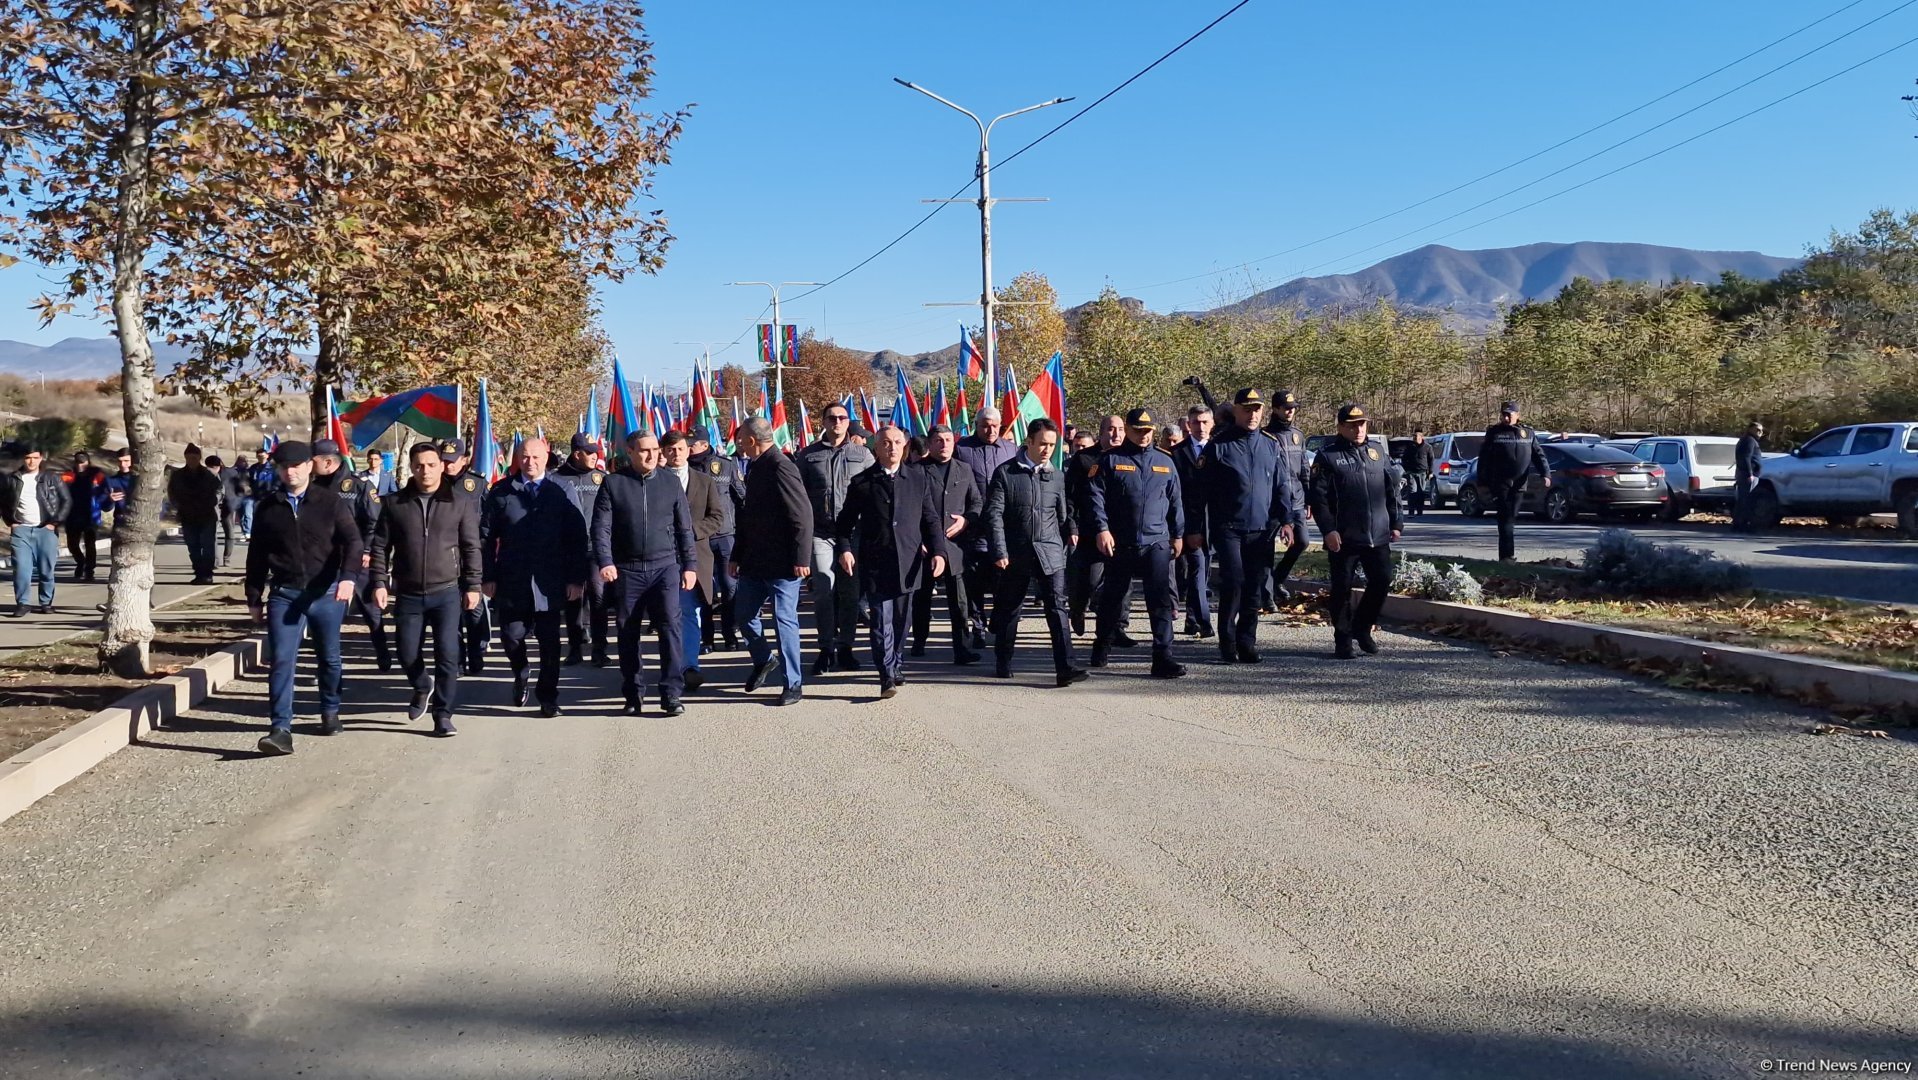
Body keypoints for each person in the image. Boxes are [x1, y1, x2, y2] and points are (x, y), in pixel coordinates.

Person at [244, 440, 362, 755]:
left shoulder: (330, 502)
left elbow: (353, 542)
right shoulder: (268, 507)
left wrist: (348, 578)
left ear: (309, 466)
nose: (291, 471)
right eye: (284, 467)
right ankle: (280, 728)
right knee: (282, 659)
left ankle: (330, 709)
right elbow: (256, 555)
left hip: (325, 593)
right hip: (285, 593)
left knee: (329, 657)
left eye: (296, 465)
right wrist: (254, 597)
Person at [370, 441, 482, 737]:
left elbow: (471, 547)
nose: (426, 471)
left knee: (448, 654)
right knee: (406, 652)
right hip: (408, 593)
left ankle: (443, 714)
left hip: (445, 591)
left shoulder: (459, 502)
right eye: (419, 465)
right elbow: (380, 546)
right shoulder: (395, 504)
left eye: (432, 465)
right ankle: (422, 685)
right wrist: (379, 582)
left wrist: (473, 585)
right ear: (411, 467)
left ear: (442, 466)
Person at [593, 432, 699, 717]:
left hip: (665, 567)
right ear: (630, 452)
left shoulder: (670, 482)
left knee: (670, 630)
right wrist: (605, 561)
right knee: (628, 633)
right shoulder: (613, 484)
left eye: (655, 450)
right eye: (644, 451)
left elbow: (683, 528)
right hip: (627, 570)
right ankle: (633, 693)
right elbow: (602, 528)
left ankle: (671, 694)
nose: (652, 456)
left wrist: (690, 565)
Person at [836, 425, 944, 698]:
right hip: (876, 562)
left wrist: (939, 552)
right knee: (880, 621)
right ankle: (886, 675)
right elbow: (844, 524)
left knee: (901, 620)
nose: (892, 447)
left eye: (897, 442)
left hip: (909, 562)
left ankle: (896, 663)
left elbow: (930, 519)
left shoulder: (919, 479)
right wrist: (845, 549)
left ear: (905, 446)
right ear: (876, 447)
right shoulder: (862, 482)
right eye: (885, 442)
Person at [1186, 389, 1293, 664]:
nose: (1253, 414)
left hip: (1261, 530)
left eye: (1257, 409)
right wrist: (1196, 529)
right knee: (1234, 583)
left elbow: (1281, 486)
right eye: (1247, 409)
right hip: (1228, 528)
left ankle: (1247, 643)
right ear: (1236, 411)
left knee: (1255, 587)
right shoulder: (1219, 445)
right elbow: (1200, 493)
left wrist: (1287, 521)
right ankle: (1227, 640)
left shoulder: (1271, 444)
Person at [483, 437, 588, 717]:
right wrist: (487, 576)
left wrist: (576, 579)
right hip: (512, 580)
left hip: (550, 580)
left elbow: (577, 537)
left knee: (550, 643)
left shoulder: (561, 490)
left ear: (547, 457)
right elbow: (486, 537)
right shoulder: (501, 491)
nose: (530, 463)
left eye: (536, 457)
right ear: (518, 458)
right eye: (525, 457)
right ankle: (520, 672)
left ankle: (548, 697)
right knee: (511, 636)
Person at [984, 418, 1086, 687]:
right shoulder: (1005, 473)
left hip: (1050, 552)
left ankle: (1066, 667)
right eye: (1042, 444)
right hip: (1015, 553)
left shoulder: (1057, 475)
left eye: (1052, 445)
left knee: (1057, 608)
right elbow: (993, 514)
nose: (1047, 450)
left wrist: (1071, 530)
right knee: (1009, 609)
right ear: (1029, 441)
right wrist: (999, 550)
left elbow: (1063, 513)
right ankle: (1003, 661)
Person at [1086, 408, 1186, 679]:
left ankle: (1163, 657)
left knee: (1160, 601)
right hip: (1121, 542)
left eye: (1148, 431)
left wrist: (1178, 535)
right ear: (1128, 430)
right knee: (1113, 598)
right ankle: (1103, 645)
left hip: (1156, 542)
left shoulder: (1165, 461)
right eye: (1138, 431)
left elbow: (1175, 501)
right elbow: (1095, 498)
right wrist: (1102, 530)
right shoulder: (1110, 460)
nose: (1143, 436)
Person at [727, 418, 813, 705]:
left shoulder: (781, 465)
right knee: (744, 614)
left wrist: (802, 557)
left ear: (752, 440)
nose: (738, 443)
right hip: (754, 560)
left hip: (783, 563)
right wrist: (737, 554)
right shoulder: (754, 465)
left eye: (741, 439)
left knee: (783, 620)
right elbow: (748, 517)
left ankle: (793, 683)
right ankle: (764, 659)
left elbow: (801, 514)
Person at [1309, 404, 1402, 660]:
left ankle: (1362, 628)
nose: (1358, 429)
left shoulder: (1377, 451)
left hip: (1378, 534)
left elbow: (1392, 490)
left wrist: (1397, 522)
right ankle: (1342, 639)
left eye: (1361, 424)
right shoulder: (1327, 456)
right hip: (1344, 536)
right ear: (1340, 427)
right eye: (1351, 425)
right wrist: (1328, 530)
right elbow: (1319, 500)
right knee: (1342, 588)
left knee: (1382, 581)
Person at [793, 402, 874, 675]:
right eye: (832, 418)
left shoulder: (862, 455)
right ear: (824, 422)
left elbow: (874, 493)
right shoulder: (808, 456)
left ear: (848, 422)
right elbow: (798, 497)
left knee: (850, 594)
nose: (837, 422)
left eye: (842, 418)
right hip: (821, 533)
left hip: (853, 535)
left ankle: (846, 647)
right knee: (824, 591)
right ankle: (825, 648)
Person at [309, 438, 391, 670]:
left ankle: (382, 652)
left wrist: (366, 550)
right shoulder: (313, 486)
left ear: (327, 462)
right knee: (326, 614)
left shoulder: (359, 485)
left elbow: (376, 522)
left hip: (357, 559)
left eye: (311, 460)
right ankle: (326, 663)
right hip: (325, 561)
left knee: (370, 611)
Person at [660, 430, 726, 691]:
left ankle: (689, 666)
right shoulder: (655, 481)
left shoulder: (704, 481)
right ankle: (671, 666)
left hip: (694, 558)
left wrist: (691, 532)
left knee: (690, 613)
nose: (675, 454)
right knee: (667, 616)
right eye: (670, 450)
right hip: (662, 557)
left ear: (688, 450)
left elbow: (717, 517)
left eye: (680, 449)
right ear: (663, 453)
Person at [910, 423, 982, 665]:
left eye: (948, 440)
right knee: (922, 598)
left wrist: (966, 521)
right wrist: (916, 539)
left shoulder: (964, 469)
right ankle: (919, 641)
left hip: (955, 546)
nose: (944, 445)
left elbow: (977, 504)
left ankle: (962, 648)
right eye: (939, 441)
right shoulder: (915, 470)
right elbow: (906, 509)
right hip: (925, 546)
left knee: (960, 602)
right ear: (929, 444)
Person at [952, 407, 1018, 649]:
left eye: (994, 426)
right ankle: (978, 626)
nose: (990, 430)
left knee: (1003, 580)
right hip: (974, 528)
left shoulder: (1011, 449)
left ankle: (998, 622)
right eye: (984, 426)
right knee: (975, 583)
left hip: (1002, 529)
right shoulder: (962, 449)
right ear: (976, 425)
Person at [551, 433, 613, 666]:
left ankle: (599, 648)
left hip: (596, 548)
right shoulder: (556, 479)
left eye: (595, 451)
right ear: (577, 454)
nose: (594, 456)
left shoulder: (602, 478)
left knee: (599, 597)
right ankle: (575, 647)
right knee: (572, 599)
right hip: (567, 550)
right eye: (589, 452)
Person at [1066, 415, 1127, 640]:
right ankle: (1078, 608)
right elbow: (1070, 498)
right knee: (1090, 580)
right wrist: (1071, 527)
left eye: (1120, 429)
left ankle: (1118, 627)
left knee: (1122, 581)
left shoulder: (1128, 457)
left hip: (1122, 530)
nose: (1116, 434)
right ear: (1101, 432)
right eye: (1111, 429)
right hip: (1090, 530)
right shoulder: (1084, 459)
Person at [688, 425, 745, 652]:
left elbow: (742, 498)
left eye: (692, 444)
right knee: (703, 590)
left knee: (729, 586)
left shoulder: (725, 465)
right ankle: (707, 637)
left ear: (704, 444)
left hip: (725, 536)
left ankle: (729, 632)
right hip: (697, 538)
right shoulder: (684, 470)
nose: (689, 448)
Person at [438, 438, 491, 674]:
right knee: (451, 612)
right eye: (444, 460)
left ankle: (476, 652)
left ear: (464, 460)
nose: (448, 465)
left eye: (452, 461)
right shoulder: (434, 483)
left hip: (473, 554)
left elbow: (490, 519)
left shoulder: (477, 485)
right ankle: (457, 658)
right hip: (444, 555)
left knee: (474, 609)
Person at [1477, 401, 1550, 562]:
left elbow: (1538, 455)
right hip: (1500, 482)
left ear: (1517, 415)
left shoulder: (1527, 433)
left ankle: (1507, 555)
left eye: (1509, 414)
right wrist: (1482, 481)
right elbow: (1484, 458)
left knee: (1511, 517)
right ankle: (1506, 556)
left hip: (1519, 483)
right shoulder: (1495, 433)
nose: (1506, 417)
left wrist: (1545, 473)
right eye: (1504, 414)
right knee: (1506, 518)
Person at [2, 445, 71, 616]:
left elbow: (66, 500)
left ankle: (46, 602)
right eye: (28, 458)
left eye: (34, 457)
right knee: (22, 569)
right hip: (22, 530)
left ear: (41, 458)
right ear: (23, 459)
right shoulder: (13, 479)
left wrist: (54, 523)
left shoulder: (52, 478)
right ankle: (23, 603)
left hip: (45, 530)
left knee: (46, 570)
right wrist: (11, 522)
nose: (31, 461)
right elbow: (3, 502)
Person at [1262, 390, 1311, 606]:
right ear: (1275, 409)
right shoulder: (1264, 436)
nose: (1291, 411)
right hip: (1272, 503)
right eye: (1286, 407)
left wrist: (1309, 499)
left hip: (1297, 501)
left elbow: (1304, 469)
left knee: (1302, 542)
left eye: (1293, 408)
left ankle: (1277, 579)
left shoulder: (1298, 435)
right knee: (1266, 549)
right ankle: (1266, 595)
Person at [1174, 404, 1214, 638]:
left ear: (1212, 424)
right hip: (1190, 525)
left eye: (1205, 422)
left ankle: (1191, 620)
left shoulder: (1220, 449)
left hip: (1215, 525)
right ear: (1188, 425)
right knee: (1198, 569)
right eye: (1196, 422)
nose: (1201, 427)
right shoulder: (1177, 454)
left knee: (1203, 572)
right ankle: (1204, 620)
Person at [168, 443, 223, 584]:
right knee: (193, 546)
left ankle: (207, 574)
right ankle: (199, 573)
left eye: (194, 457)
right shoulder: (178, 476)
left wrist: (212, 502)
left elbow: (219, 491)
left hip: (207, 515)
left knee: (208, 545)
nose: (192, 460)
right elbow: (172, 493)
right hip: (188, 515)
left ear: (199, 457)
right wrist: (178, 506)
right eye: (189, 457)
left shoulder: (209, 474)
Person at [63, 450, 105, 582]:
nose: (80, 466)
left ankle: (89, 570)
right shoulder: (68, 476)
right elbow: (59, 492)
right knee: (72, 544)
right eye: (78, 463)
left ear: (88, 462)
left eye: (83, 463)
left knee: (90, 545)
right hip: (72, 514)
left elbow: (105, 491)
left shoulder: (97, 475)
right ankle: (80, 561)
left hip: (91, 514)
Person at [220, 453, 254, 566]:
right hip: (229, 504)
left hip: (227, 504)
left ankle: (220, 559)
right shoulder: (236, 473)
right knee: (229, 533)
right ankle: (225, 558)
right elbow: (242, 488)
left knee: (227, 532)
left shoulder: (226, 472)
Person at [1732, 420, 1765, 532]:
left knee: (1744, 500)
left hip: (1748, 474)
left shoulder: (1747, 440)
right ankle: (1742, 525)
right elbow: (1746, 458)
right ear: (1750, 429)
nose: (1760, 432)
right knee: (1745, 500)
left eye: (1761, 431)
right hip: (1748, 475)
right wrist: (1749, 474)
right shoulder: (1749, 441)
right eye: (1757, 430)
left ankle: (1740, 524)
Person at [1402, 430, 1436, 517]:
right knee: (1412, 491)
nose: (1415, 438)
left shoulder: (1428, 447)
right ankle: (1411, 511)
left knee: (1421, 492)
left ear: (1421, 437)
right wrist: (1406, 469)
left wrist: (1431, 472)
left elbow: (1431, 460)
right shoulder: (1410, 447)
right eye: (1414, 437)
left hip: (1423, 473)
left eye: (1416, 437)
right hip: (1411, 472)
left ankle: (1420, 511)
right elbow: (1404, 458)